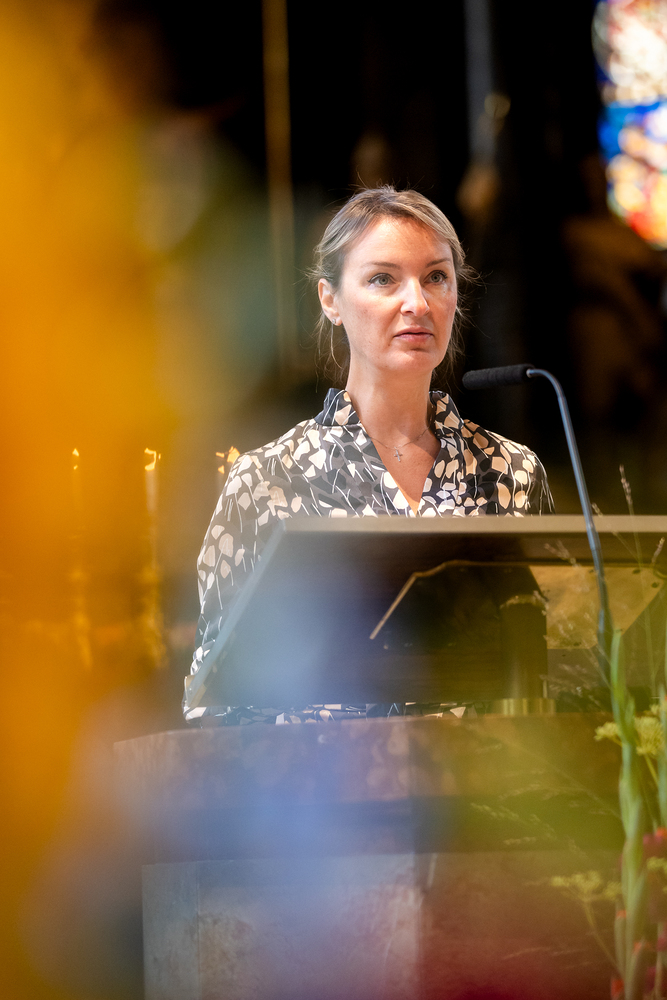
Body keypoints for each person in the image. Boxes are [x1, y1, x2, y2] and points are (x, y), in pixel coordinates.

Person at [185, 186, 554, 724]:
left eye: (436, 277)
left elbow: (559, 666)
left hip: (490, 774)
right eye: (383, 278)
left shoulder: (511, 472)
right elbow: (218, 702)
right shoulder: (267, 481)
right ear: (330, 300)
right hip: (325, 775)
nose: (417, 303)